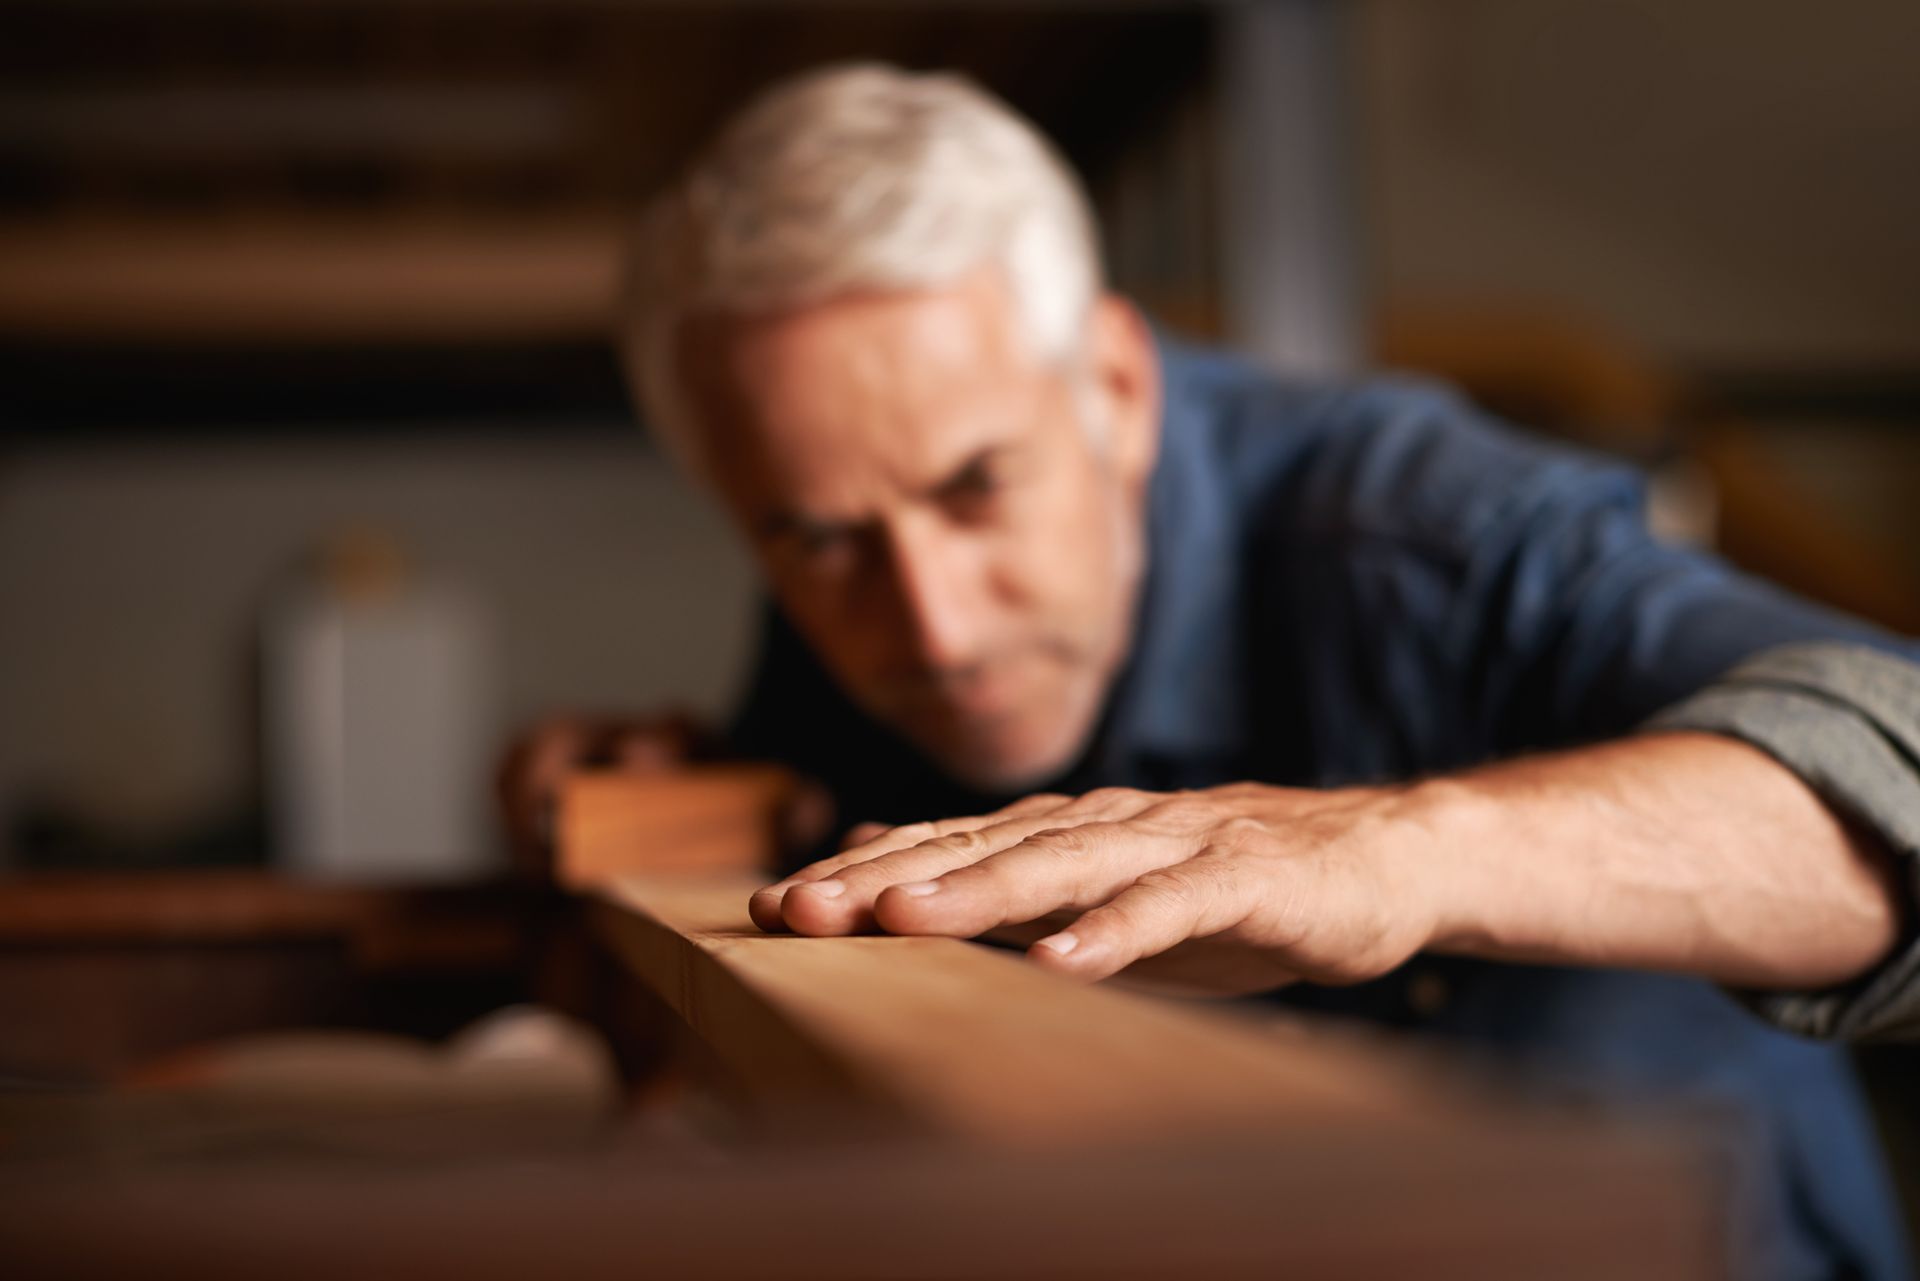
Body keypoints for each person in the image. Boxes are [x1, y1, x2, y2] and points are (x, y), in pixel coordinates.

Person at [508, 64, 1920, 1280]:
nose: (933, 624)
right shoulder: (849, 591)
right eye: (816, 538)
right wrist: (666, 788)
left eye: (980, 484)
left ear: (1115, 388)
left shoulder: (1432, 529)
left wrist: (1394, 849)